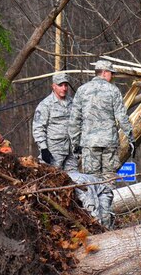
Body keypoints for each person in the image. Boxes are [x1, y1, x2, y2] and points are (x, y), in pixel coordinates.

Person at [69, 59, 134, 228]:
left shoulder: (82, 91)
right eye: (111, 73)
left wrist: (75, 143)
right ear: (104, 72)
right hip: (109, 145)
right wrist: (130, 136)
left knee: (91, 184)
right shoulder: (113, 91)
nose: (112, 76)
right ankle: (106, 223)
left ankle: (94, 222)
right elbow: (121, 117)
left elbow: (74, 120)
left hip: (89, 145)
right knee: (107, 185)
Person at [32, 71, 76, 171]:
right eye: (60, 85)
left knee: (74, 180)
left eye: (66, 85)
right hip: (54, 151)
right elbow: (38, 127)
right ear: (53, 86)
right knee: (53, 179)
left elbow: (78, 123)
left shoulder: (72, 103)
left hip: (71, 151)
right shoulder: (46, 104)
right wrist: (43, 148)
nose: (64, 88)